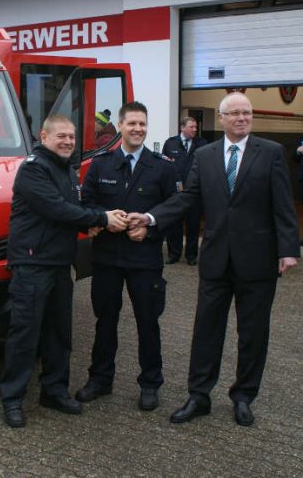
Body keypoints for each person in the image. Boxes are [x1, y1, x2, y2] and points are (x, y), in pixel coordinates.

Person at [128, 92, 299, 427]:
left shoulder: (272, 153)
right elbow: (187, 198)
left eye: (246, 113)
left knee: (253, 333)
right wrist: (150, 219)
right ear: (221, 118)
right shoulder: (205, 156)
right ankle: (199, 395)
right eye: (234, 113)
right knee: (206, 330)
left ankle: (243, 396)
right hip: (216, 260)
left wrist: (288, 249)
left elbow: (283, 203)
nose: (241, 118)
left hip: (258, 260)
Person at [0, 114, 127, 428]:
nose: (68, 141)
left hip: (58, 263)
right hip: (32, 263)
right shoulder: (32, 169)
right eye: (61, 136)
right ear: (44, 136)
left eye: (71, 136)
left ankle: (54, 391)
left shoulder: (67, 169)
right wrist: (100, 219)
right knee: (25, 336)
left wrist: (89, 224)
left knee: (59, 334)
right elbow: (56, 208)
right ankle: (12, 399)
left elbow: (72, 212)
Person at [75, 101, 179, 411]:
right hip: (107, 258)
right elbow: (86, 205)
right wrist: (103, 217)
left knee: (148, 323)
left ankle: (150, 383)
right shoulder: (101, 164)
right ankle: (100, 380)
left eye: (142, 124)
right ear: (120, 126)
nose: (137, 129)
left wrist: (150, 228)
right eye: (131, 123)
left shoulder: (163, 166)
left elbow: (173, 210)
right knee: (105, 322)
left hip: (145, 260)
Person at [161, 117, 207, 265]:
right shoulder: (170, 143)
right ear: (182, 127)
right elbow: (165, 165)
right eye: (191, 127)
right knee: (174, 225)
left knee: (193, 225)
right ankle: (174, 254)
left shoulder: (202, 144)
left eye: (195, 127)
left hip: (194, 193)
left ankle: (191, 256)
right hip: (175, 193)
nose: (195, 129)